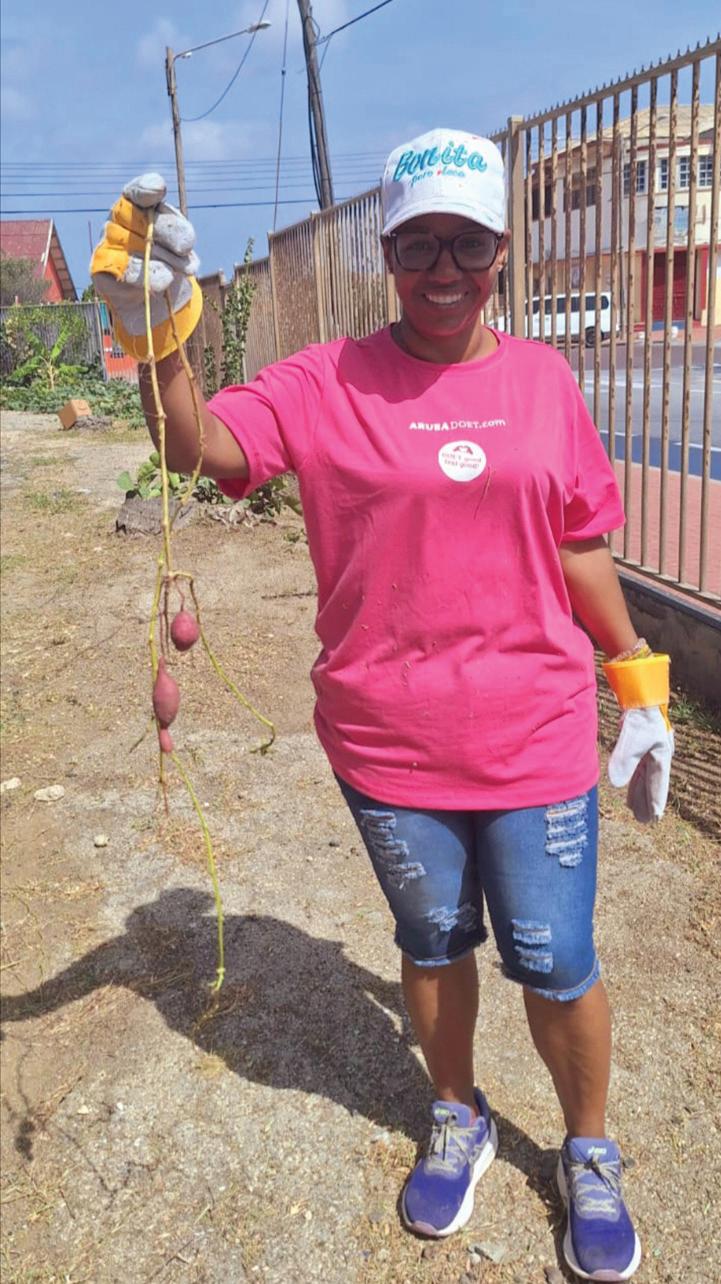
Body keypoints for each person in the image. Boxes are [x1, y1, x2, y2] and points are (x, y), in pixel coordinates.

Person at [91, 128, 674, 1283]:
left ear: (500, 251)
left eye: (467, 243)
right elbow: (199, 447)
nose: (443, 268)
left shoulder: (543, 382)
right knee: (432, 942)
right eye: (419, 244)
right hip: (388, 743)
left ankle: (587, 1150)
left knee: (554, 958)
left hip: (535, 735)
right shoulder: (325, 382)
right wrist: (156, 333)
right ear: (388, 252)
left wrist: (637, 679)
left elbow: (578, 542)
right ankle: (455, 1111)